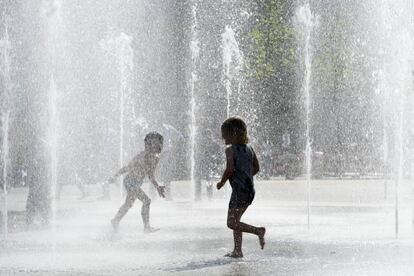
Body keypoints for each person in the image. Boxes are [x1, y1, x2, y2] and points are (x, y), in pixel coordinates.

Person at [216, 117, 266, 258]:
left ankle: (258, 231)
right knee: (236, 219)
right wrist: (246, 177)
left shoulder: (230, 150)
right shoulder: (250, 148)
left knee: (231, 222)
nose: (222, 137)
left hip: (239, 192)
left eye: (224, 134)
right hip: (250, 191)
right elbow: (256, 167)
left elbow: (230, 169)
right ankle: (238, 250)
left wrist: (222, 182)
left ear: (233, 134)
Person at [109, 132, 165, 233]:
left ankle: (115, 220)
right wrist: (115, 176)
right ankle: (146, 227)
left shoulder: (155, 159)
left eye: (160, 143)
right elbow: (128, 167)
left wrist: (158, 187)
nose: (159, 145)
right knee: (147, 201)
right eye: (155, 143)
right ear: (149, 144)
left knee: (128, 204)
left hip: (136, 183)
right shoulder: (142, 155)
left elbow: (150, 174)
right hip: (130, 181)